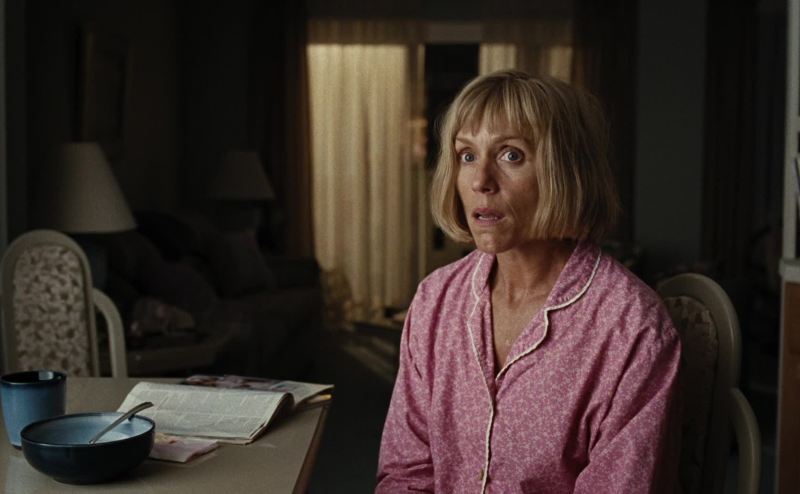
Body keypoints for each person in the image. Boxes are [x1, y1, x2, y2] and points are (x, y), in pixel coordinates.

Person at [376, 70, 681, 493]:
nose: (480, 181)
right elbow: (406, 474)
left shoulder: (633, 328)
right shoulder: (435, 299)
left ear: (566, 171)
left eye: (511, 155)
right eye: (467, 155)